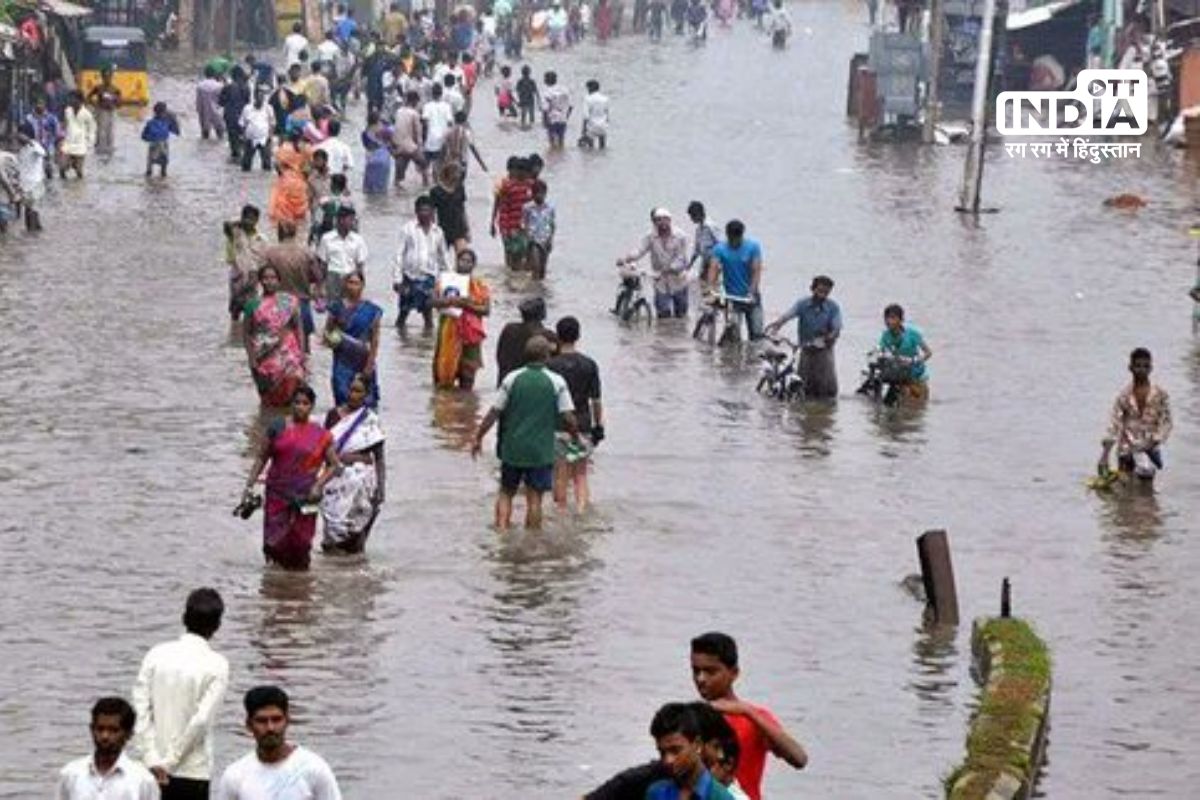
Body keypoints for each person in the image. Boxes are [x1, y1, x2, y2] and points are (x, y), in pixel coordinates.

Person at [132, 589, 228, 800]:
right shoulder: (217, 664)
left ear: (184, 617)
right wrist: (170, 763)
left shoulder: (156, 654)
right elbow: (201, 721)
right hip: (191, 772)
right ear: (217, 626)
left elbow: (140, 710)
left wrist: (151, 757)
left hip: (149, 767)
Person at [472, 336, 577, 530]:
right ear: (547, 355)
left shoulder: (512, 378)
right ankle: (532, 540)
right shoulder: (556, 381)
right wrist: (575, 438)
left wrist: (478, 437)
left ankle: (502, 531)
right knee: (535, 498)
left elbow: (494, 411)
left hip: (513, 448)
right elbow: (569, 417)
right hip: (540, 451)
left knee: (505, 492)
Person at [690, 632, 808, 800]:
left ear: (734, 673)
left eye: (710, 671)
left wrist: (747, 711)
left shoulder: (753, 719)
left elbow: (799, 759)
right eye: (696, 671)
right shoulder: (689, 717)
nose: (700, 679)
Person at [241, 386, 341, 569]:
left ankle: (298, 585)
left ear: (311, 407)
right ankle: (273, 583)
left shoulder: (321, 435)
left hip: (306, 497)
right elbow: (262, 457)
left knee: (301, 544)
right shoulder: (277, 428)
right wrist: (249, 486)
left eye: (305, 403)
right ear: (291, 404)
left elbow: (334, 465)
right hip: (277, 495)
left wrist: (318, 485)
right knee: (273, 543)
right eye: (297, 402)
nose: (300, 407)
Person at [215, 686, 342, 798]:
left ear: (287, 720)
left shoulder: (314, 769)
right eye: (262, 721)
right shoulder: (235, 776)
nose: (270, 728)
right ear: (249, 725)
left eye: (276, 719)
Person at [319, 372, 385, 554]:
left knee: (357, 536)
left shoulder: (370, 420)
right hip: (335, 482)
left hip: (362, 484)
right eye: (351, 390)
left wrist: (381, 488)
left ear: (366, 394)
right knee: (332, 537)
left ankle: (356, 573)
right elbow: (322, 449)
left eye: (358, 391)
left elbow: (379, 458)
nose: (352, 395)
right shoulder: (333, 415)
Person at [547, 316, 603, 513]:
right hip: (584, 424)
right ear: (578, 336)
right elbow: (596, 400)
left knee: (560, 473)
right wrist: (599, 426)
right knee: (581, 473)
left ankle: (561, 513)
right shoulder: (590, 365)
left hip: (558, 425)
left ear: (558, 337)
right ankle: (581, 511)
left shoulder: (550, 366)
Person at [57, 697, 159, 800]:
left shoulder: (143, 780)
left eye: (113, 730)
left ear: (128, 734)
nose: (105, 736)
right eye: (100, 729)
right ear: (92, 730)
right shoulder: (71, 775)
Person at [1098, 347, 1173, 479]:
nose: (1141, 370)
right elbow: (1114, 425)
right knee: (1127, 493)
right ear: (1130, 368)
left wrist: (1154, 442)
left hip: (1150, 451)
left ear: (1151, 368)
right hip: (1126, 451)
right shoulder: (1124, 396)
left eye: (1145, 366)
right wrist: (1105, 455)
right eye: (1138, 366)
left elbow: (1167, 423)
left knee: (1147, 494)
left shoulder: (1160, 395)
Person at [765, 275, 842, 399]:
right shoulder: (802, 304)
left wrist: (830, 337)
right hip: (805, 348)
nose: (822, 295)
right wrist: (777, 324)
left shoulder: (833, 308)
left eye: (826, 293)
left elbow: (837, 327)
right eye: (820, 291)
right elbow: (788, 315)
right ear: (812, 289)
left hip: (824, 351)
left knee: (828, 390)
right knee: (802, 386)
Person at [243, 264, 308, 407]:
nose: (269, 281)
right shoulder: (252, 304)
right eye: (265, 278)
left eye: (273, 278)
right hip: (264, 356)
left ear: (279, 280)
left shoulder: (290, 301)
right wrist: (252, 359)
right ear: (260, 281)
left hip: (289, 354)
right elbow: (246, 333)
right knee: (269, 397)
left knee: (293, 389)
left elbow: (298, 328)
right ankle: (267, 424)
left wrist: (302, 353)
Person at [643, 703, 735, 800]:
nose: (668, 760)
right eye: (662, 752)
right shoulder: (656, 793)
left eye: (675, 750)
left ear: (697, 745)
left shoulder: (721, 798)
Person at [432, 248, 492, 389]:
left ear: (473, 265)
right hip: (448, 331)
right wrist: (451, 301)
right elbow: (432, 302)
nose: (465, 264)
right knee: (443, 376)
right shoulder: (445, 281)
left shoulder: (479, 285)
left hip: (471, 334)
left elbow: (486, 310)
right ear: (456, 262)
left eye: (469, 261)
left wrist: (466, 305)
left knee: (468, 375)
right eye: (462, 260)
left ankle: (465, 408)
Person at [617, 208, 691, 318]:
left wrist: (670, 268)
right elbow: (640, 250)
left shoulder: (680, 236)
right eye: (658, 220)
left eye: (665, 219)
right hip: (660, 279)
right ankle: (663, 334)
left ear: (670, 220)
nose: (662, 223)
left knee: (681, 314)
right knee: (663, 313)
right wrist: (627, 258)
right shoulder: (650, 236)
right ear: (654, 222)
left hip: (679, 279)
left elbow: (682, 258)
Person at [393, 194, 451, 330]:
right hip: (409, 277)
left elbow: (444, 257)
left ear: (432, 212)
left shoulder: (438, 232)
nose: (424, 214)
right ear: (416, 211)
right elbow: (399, 254)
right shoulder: (407, 229)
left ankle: (426, 344)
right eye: (421, 210)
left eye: (427, 210)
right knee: (403, 313)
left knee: (428, 315)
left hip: (429, 279)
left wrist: (449, 279)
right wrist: (397, 279)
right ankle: (401, 341)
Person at [325, 269, 382, 407]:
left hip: (363, 360)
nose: (353, 286)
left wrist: (369, 366)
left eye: (357, 283)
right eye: (350, 283)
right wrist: (333, 341)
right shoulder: (337, 307)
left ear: (362, 285)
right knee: (342, 394)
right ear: (345, 285)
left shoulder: (372, 310)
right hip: (342, 361)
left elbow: (374, 340)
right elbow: (328, 331)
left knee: (366, 400)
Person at [262, 220, 321, 349]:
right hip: (302, 303)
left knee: (278, 345)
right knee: (304, 347)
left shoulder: (270, 253)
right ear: (295, 233)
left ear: (279, 233)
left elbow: (263, 279)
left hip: (278, 304)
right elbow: (318, 278)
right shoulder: (306, 253)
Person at [706, 220, 765, 340]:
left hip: (750, 297)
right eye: (731, 238)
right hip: (732, 299)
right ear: (727, 236)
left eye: (737, 238)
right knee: (733, 333)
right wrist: (711, 289)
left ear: (742, 235)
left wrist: (751, 291)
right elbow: (713, 269)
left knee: (757, 334)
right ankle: (734, 357)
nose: (734, 241)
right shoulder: (720, 249)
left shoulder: (753, 247)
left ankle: (753, 357)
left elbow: (756, 271)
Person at [495, 297, 556, 386]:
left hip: (506, 383)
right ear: (543, 315)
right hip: (533, 387)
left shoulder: (509, 329)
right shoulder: (548, 336)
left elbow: (499, 356)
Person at [877, 303, 932, 402]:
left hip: (916, 374)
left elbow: (928, 352)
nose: (889, 321)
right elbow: (881, 350)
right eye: (887, 318)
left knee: (917, 406)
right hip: (898, 374)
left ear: (901, 320)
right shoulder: (885, 336)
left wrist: (917, 360)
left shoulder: (912, 334)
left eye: (893, 318)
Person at [223, 204, 267, 322]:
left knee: (251, 311)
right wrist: (239, 222)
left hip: (253, 277)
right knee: (235, 309)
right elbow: (226, 225)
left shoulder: (261, 238)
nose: (250, 222)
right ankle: (234, 332)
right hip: (237, 275)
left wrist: (261, 280)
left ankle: (246, 334)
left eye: (253, 219)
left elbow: (263, 261)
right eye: (247, 218)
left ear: (257, 220)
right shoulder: (235, 233)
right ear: (242, 218)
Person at [316, 206, 368, 304]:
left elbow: (360, 265)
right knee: (333, 309)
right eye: (350, 219)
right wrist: (320, 288)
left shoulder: (358, 240)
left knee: (351, 309)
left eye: (354, 219)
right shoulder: (327, 239)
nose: (353, 222)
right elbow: (323, 265)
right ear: (341, 220)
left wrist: (362, 286)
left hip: (351, 278)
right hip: (333, 278)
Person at [491, 157, 534, 269]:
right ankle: (509, 274)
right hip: (508, 225)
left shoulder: (531, 186)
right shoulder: (506, 186)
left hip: (524, 226)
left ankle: (515, 276)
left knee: (522, 252)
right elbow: (500, 205)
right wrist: (496, 224)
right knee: (510, 251)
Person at [268, 131, 312, 235]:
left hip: (285, 182)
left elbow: (277, 166)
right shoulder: (306, 149)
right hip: (300, 183)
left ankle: (284, 236)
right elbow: (308, 168)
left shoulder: (283, 149)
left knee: (282, 213)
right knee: (300, 216)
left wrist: (282, 174)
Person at [431, 160, 470, 252]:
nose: (460, 175)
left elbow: (462, 210)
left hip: (459, 228)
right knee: (441, 260)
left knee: (463, 255)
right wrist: (432, 231)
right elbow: (432, 213)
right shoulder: (436, 191)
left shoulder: (460, 189)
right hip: (443, 229)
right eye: (458, 172)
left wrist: (467, 229)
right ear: (450, 173)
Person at [391, 90, 427, 187]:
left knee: (398, 177)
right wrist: (420, 148)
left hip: (397, 146)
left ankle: (397, 186)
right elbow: (418, 134)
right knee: (424, 165)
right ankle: (425, 185)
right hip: (409, 146)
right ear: (414, 101)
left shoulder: (398, 111)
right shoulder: (414, 114)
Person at [522, 179, 556, 280]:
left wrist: (550, 239)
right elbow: (524, 222)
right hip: (533, 240)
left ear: (545, 193)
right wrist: (526, 236)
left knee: (543, 268)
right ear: (532, 194)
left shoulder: (550, 208)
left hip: (545, 239)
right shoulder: (527, 207)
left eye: (541, 193)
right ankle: (534, 286)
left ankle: (540, 289)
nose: (539, 195)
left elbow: (552, 224)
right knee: (535, 265)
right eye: (536, 193)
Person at [16, 123, 46, 232]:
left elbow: (43, 153)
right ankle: (35, 231)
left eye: (20, 134)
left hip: (35, 183)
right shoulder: (22, 149)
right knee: (28, 210)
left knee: (31, 209)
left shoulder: (35, 146)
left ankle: (32, 232)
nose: (18, 136)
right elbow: (20, 167)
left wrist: (30, 142)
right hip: (25, 184)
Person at [87, 65, 122, 156]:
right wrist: (94, 105)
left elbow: (119, 103)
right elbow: (88, 97)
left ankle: (109, 148)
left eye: (109, 76)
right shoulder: (98, 88)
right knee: (101, 130)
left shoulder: (115, 89)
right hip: (101, 111)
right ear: (102, 77)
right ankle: (99, 148)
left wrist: (115, 103)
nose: (107, 79)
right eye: (105, 76)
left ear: (111, 77)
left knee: (110, 131)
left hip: (111, 112)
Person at [60, 92, 96, 179]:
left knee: (79, 171)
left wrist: (90, 143)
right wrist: (61, 137)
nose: (71, 101)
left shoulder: (87, 114)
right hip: (68, 143)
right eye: (70, 99)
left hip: (81, 145)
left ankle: (80, 187)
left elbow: (92, 128)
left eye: (73, 99)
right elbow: (64, 125)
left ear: (79, 100)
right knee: (62, 168)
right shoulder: (67, 111)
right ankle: (65, 187)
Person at [141, 101, 180, 178]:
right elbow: (175, 130)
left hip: (153, 145)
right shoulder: (166, 123)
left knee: (150, 165)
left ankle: (148, 178)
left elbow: (143, 136)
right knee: (163, 167)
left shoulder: (150, 122)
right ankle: (163, 179)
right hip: (164, 146)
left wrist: (149, 138)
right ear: (164, 113)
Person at [25, 97, 61, 180]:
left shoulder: (51, 118)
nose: (39, 105)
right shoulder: (29, 118)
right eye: (37, 103)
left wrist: (57, 148)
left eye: (41, 104)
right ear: (34, 105)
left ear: (45, 105)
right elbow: (24, 132)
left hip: (48, 146)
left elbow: (57, 132)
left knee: (49, 170)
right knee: (35, 171)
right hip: (34, 147)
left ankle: (50, 189)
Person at [442, 111, 489, 175]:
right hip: (462, 162)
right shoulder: (466, 133)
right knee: (460, 181)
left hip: (450, 161)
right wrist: (482, 164)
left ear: (455, 120)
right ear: (465, 121)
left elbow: (444, 148)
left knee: (451, 182)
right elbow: (473, 150)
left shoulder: (448, 132)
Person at [422, 83, 456, 167]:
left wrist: (424, 138)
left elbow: (425, 123)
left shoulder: (427, 106)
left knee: (426, 165)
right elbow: (450, 123)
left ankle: (427, 178)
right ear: (441, 94)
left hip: (430, 140)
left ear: (432, 93)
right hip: (442, 140)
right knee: (440, 163)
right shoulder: (446, 106)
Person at [360, 110, 393, 194]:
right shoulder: (385, 130)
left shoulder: (364, 133)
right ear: (378, 120)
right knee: (381, 189)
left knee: (369, 189)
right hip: (383, 160)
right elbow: (393, 143)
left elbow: (366, 147)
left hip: (370, 160)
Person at [686, 201, 721, 279]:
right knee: (702, 285)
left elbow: (720, 244)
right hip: (705, 262)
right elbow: (697, 250)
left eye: (692, 216)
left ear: (698, 214)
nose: (691, 219)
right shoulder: (698, 229)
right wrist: (689, 265)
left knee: (712, 287)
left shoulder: (711, 226)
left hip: (714, 263)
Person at [541, 70, 572, 149]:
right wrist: (567, 116)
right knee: (561, 139)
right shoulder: (564, 89)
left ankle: (554, 157)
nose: (544, 80)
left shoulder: (547, 92)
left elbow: (545, 108)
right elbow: (571, 105)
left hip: (552, 118)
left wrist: (544, 121)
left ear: (547, 80)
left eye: (545, 79)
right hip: (562, 118)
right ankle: (561, 156)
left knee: (552, 141)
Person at [195, 66, 226, 142]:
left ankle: (203, 149)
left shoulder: (200, 85)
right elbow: (222, 101)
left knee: (205, 133)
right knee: (220, 134)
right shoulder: (219, 85)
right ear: (214, 74)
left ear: (205, 74)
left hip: (204, 111)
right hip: (216, 111)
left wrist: (199, 110)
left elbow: (198, 101)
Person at [579, 80, 609, 149]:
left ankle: (592, 158)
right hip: (603, 126)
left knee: (590, 148)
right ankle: (602, 158)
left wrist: (583, 129)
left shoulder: (587, 99)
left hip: (591, 126)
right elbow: (607, 114)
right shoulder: (605, 99)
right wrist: (606, 124)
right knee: (602, 146)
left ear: (590, 88)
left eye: (587, 88)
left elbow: (586, 116)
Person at [516, 65, 539, 129]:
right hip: (530, 99)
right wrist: (538, 99)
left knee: (524, 113)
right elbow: (535, 91)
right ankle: (531, 124)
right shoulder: (532, 81)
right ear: (529, 73)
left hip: (523, 99)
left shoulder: (520, 81)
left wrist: (519, 99)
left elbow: (517, 91)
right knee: (531, 113)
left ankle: (523, 124)